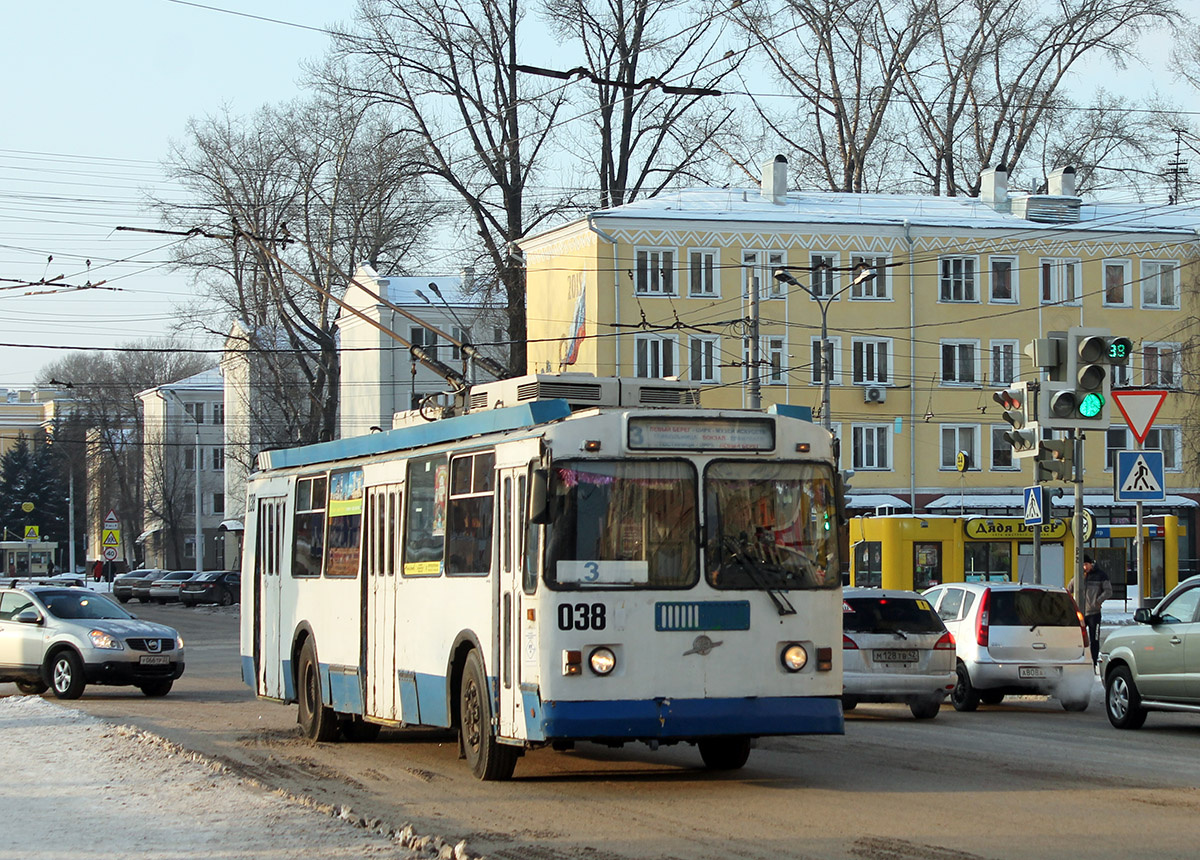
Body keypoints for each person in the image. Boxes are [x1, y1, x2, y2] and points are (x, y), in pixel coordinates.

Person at [1067, 555, 1113, 667]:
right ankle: (1078, 660)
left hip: (1094, 613)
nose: (1084, 567)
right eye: (1082, 565)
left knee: (1094, 639)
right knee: (1078, 639)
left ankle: (1093, 662)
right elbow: (1069, 589)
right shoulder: (1079, 575)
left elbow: (1108, 591)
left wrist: (1098, 601)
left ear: (1091, 564)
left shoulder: (1101, 575)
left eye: (1086, 564)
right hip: (1080, 613)